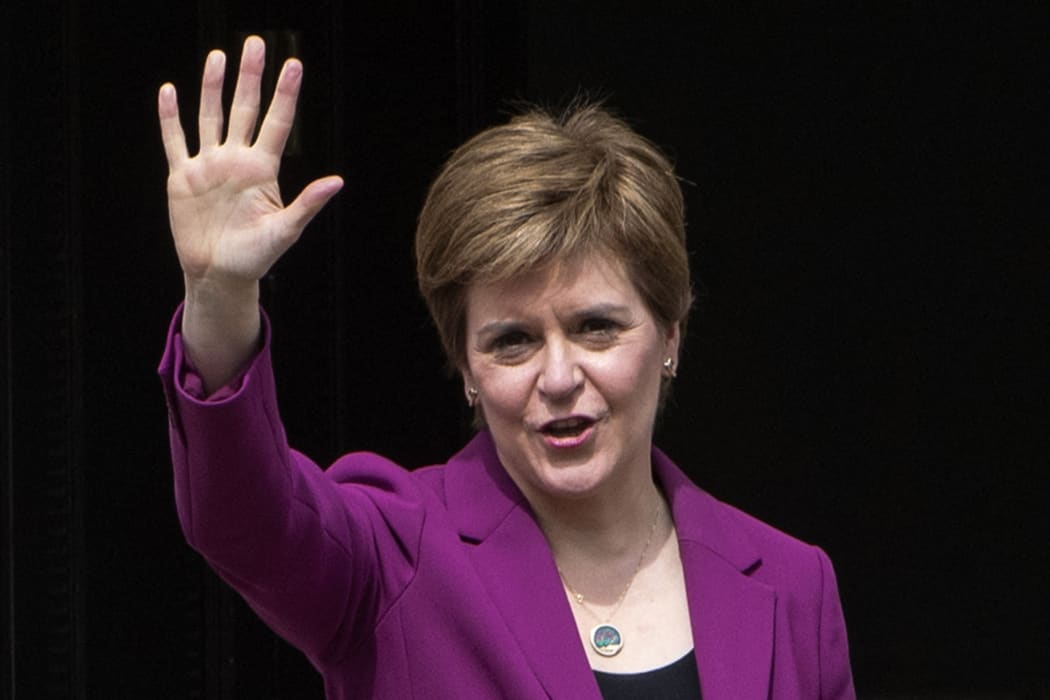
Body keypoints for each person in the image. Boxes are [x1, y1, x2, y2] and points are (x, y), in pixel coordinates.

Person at [157, 35, 855, 699]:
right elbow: (245, 520)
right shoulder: (397, 554)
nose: (557, 377)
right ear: (465, 366)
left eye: (596, 328)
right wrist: (220, 294)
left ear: (670, 334)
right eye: (513, 342)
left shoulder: (793, 586)